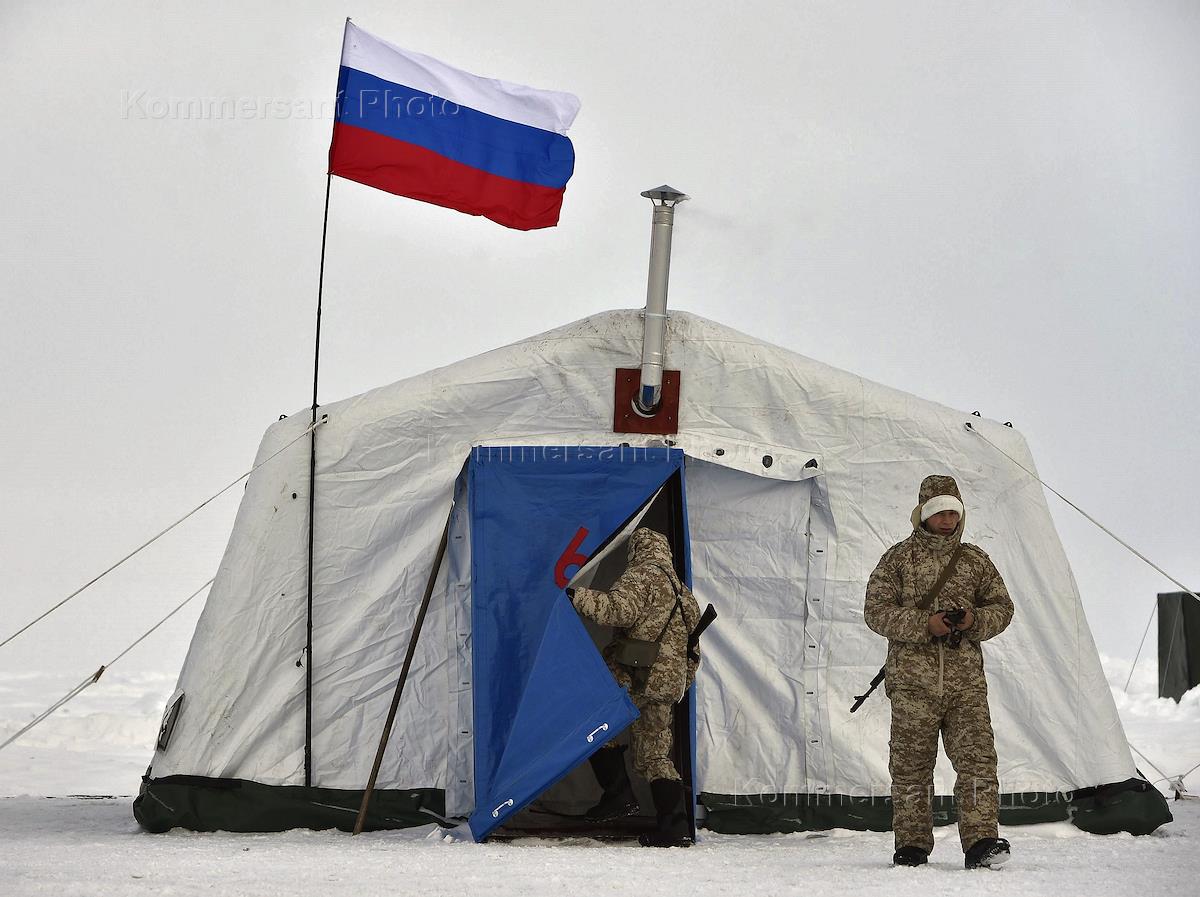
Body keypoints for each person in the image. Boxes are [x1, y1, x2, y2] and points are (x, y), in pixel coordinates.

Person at [863, 474, 1015, 869]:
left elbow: (1002, 608)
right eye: (939, 512)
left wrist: (973, 620)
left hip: (966, 685)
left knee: (978, 762)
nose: (948, 520)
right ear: (923, 514)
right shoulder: (898, 559)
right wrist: (924, 624)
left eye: (953, 512)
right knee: (911, 768)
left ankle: (982, 841)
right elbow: (875, 612)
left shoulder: (975, 560)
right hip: (913, 685)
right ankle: (912, 845)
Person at [569, 527, 701, 847]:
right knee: (655, 754)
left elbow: (617, 611)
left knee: (595, 721)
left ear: (637, 549)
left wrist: (575, 594)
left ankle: (618, 795)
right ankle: (675, 827)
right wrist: (678, 685)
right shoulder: (686, 595)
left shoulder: (642, 576)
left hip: (634, 676)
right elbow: (693, 652)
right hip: (667, 687)